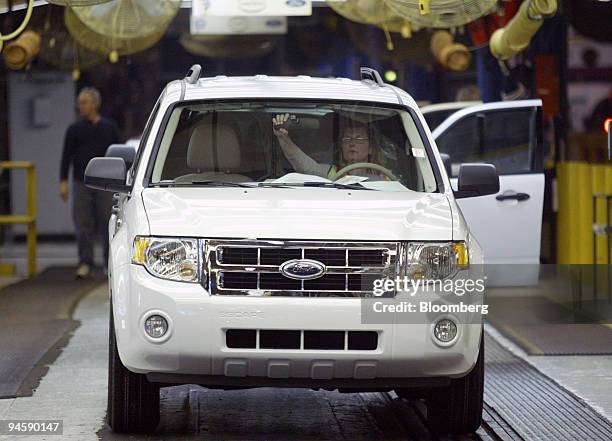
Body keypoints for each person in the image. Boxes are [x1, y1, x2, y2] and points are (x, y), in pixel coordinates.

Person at [59, 87, 120, 278]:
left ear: (95, 104)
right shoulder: (74, 129)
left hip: (105, 184)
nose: (80, 106)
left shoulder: (109, 128)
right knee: (82, 222)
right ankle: (85, 262)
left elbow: (119, 154)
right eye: (80, 102)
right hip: (81, 181)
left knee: (106, 222)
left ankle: (108, 262)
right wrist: (63, 181)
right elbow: (66, 156)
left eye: (84, 102)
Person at [272, 113, 386, 180]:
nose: (352, 143)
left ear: (371, 148)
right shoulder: (331, 172)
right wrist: (283, 137)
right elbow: (303, 165)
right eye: (347, 139)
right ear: (342, 147)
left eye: (359, 139)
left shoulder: (385, 178)